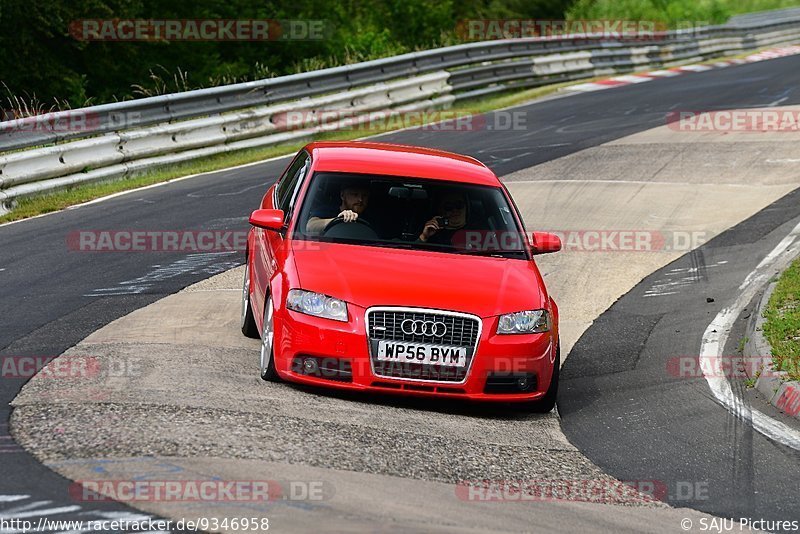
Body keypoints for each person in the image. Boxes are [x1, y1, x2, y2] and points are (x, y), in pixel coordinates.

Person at [306, 182, 371, 235]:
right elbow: (310, 226)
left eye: (364, 195)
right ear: (342, 195)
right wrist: (338, 219)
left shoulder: (372, 217)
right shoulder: (327, 210)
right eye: (355, 194)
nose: (360, 199)